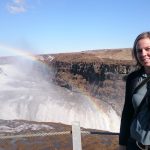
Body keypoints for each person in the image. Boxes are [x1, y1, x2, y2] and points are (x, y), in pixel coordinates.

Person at [119, 31, 150, 150]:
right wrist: (122, 143)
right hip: (134, 144)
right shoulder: (133, 78)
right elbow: (127, 111)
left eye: (148, 49)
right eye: (139, 50)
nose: (143, 54)